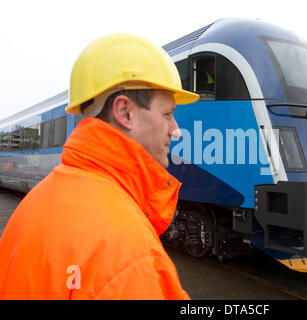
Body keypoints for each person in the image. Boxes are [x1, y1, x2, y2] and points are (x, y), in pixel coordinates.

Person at [0, 34, 199, 299]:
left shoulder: (31, 208)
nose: (176, 130)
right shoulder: (129, 254)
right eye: (167, 114)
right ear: (125, 112)